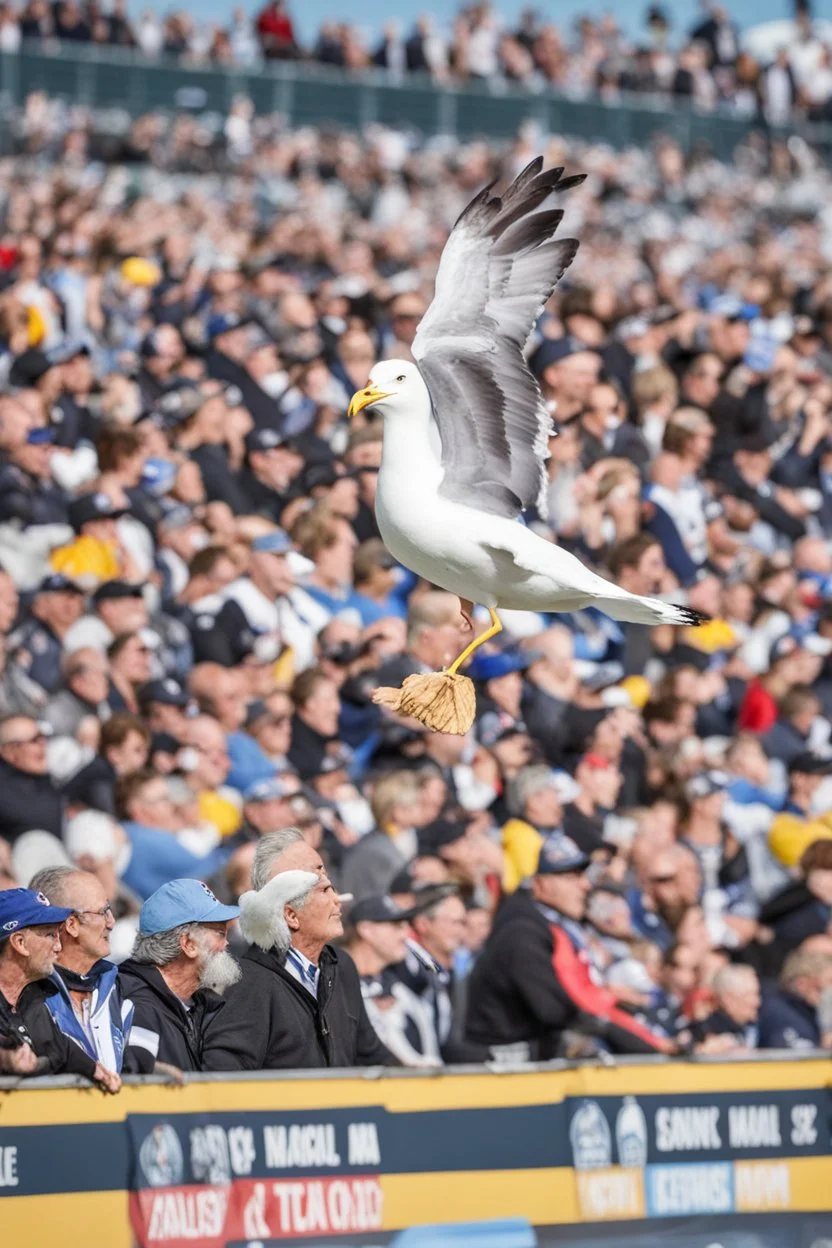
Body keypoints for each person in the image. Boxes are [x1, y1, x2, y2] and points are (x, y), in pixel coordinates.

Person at [466, 832, 672, 1060]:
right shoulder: (521, 933)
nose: (585, 885)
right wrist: (643, 1045)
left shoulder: (550, 923)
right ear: (541, 884)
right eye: (572, 876)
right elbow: (560, 1010)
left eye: (583, 875)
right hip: (501, 1069)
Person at [201, 861, 393, 1070]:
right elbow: (224, 1069)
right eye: (324, 891)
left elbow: (369, 1051)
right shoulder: (252, 981)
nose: (337, 900)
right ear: (291, 916)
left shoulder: (341, 965)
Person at [0, 887, 121, 1089]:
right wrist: (6, 1060)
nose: (58, 946)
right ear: (20, 943)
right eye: (49, 935)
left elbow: (60, 1049)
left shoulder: (35, 998)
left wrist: (93, 1069)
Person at [119, 878, 241, 1072]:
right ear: (188, 944)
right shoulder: (138, 1006)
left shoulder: (204, 1005)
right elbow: (136, 1084)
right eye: (220, 933)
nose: (226, 944)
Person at [28, 865, 132, 1072]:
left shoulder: (122, 988)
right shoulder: (26, 995)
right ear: (71, 924)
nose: (111, 922)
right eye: (103, 912)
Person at [342, 893, 438, 1066]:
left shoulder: (397, 986)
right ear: (366, 930)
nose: (405, 934)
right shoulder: (335, 984)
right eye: (396, 925)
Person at [0, 713, 63, 842]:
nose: (43, 745)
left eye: (43, 738)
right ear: (9, 752)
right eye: (35, 740)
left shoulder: (45, 779)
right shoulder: (5, 792)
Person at [758, 947, 832, 1050]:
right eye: (829, 981)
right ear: (802, 983)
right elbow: (798, 1058)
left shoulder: (811, 1012)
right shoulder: (779, 1013)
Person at [691, 964, 761, 1052]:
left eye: (757, 994)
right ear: (728, 999)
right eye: (749, 995)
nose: (757, 1002)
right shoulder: (704, 1031)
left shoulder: (756, 1027)